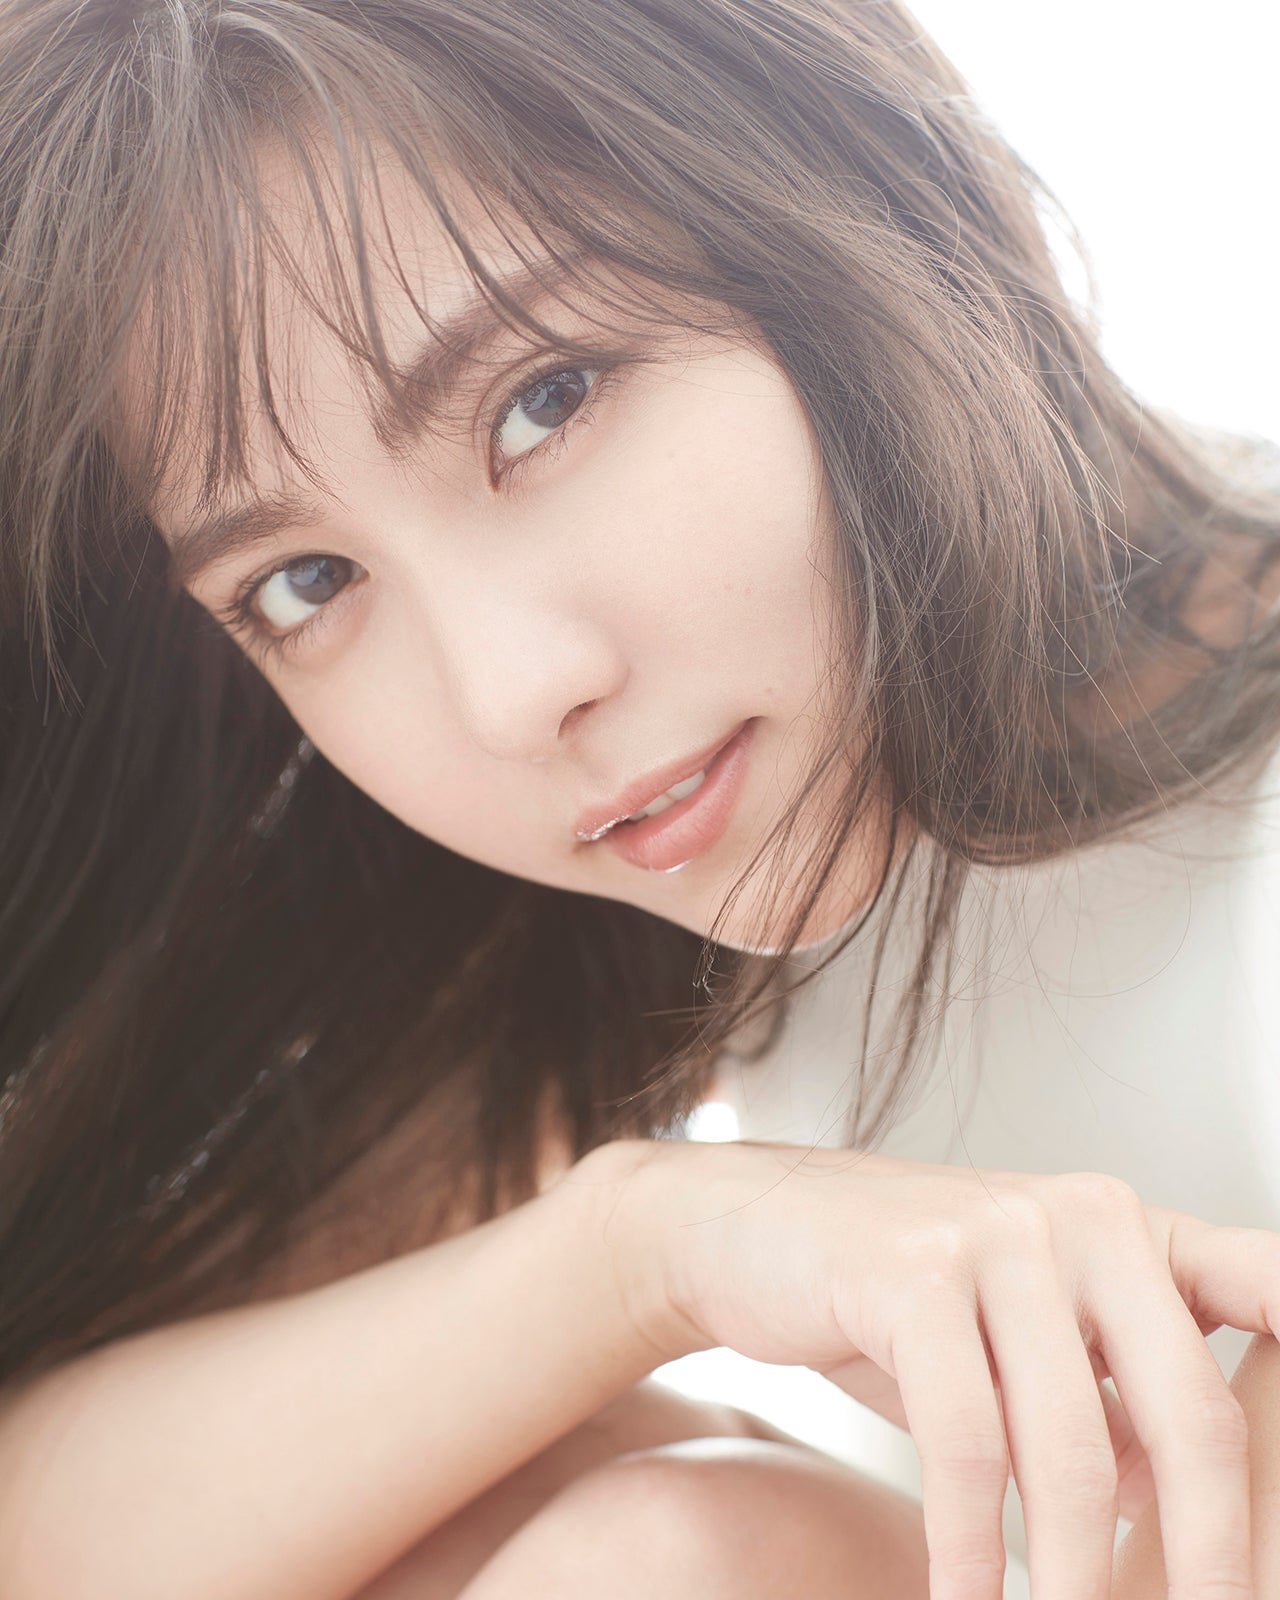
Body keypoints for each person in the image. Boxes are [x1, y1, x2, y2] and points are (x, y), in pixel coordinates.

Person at [0, 0, 1278, 1596]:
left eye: (545, 401)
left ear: (846, 185)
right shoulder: (662, 873)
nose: (510, 695)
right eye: (306, 582)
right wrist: (638, 1252)